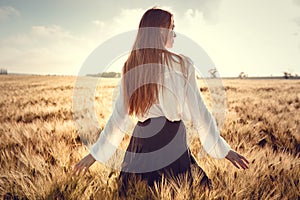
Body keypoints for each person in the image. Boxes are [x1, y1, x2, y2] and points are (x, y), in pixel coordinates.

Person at [73, 7, 249, 198]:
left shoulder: (132, 65)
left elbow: (118, 119)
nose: (175, 34)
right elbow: (199, 111)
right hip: (172, 139)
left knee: (137, 193)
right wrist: (223, 149)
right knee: (180, 191)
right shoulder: (182, 64)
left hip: (142, 140)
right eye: (171, 28)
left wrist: (94, 155)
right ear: (159, 31)